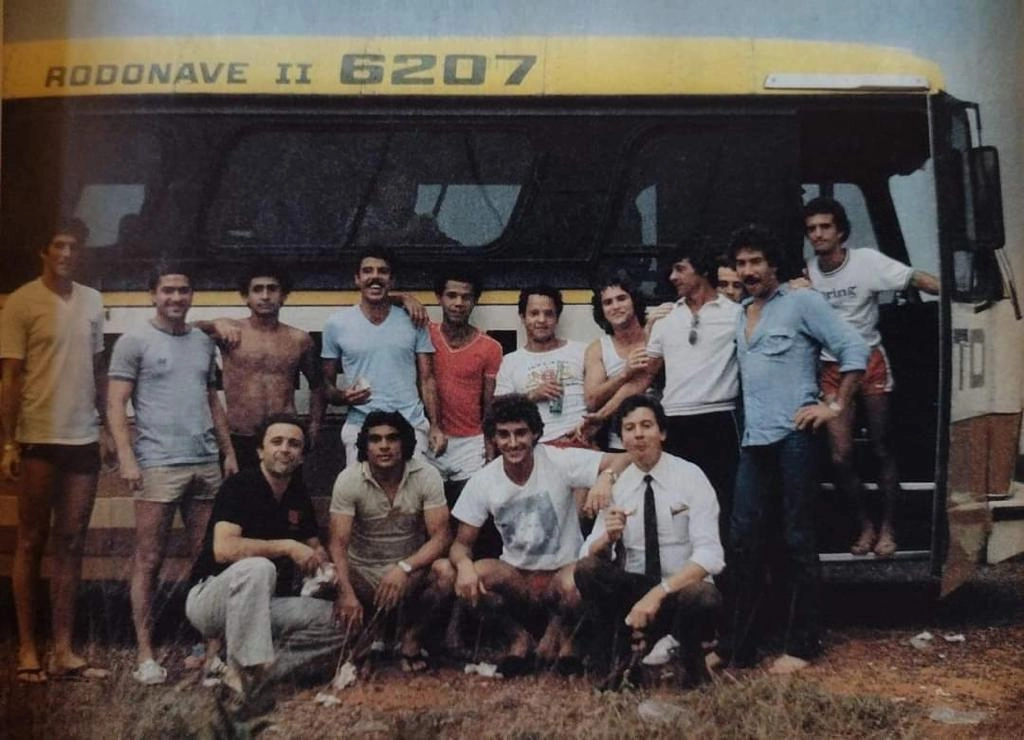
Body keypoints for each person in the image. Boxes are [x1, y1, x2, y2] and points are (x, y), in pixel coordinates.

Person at [723, 225, 869, 674]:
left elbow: (854, 348)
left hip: (794, 440)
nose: (748, 272)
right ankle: (739, 647)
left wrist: (834, 406)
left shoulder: (803, 302)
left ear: (774, 265)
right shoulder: (740, 311)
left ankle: (803, 645)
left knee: (797, 539)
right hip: (755, 441)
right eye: (742, 263)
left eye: (756, 262)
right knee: (744, 541)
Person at [108, 264, 238, 685]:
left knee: (209, 557)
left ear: (192, 294)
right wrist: (128, 457)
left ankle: (213, 651)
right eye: (168, 291)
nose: (176, 298)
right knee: (149, 558)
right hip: (158, 464)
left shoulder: (203, 342)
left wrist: (228, 453)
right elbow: (115, 405)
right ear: (153, 294)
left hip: (204, 463)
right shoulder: (134, 342)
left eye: (183, 290)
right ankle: (146, 654)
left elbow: (213, 401)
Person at [441, 394, 628, 676]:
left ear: (536, 433)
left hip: (561, 574)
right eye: (503, 435)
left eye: (520, 433)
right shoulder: (484, 480)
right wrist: (465, 566)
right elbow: (460, 544)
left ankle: (565, 638)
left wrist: (605, 479)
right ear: (493, 438)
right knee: (473, 576)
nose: (513, 443)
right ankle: (519, 638)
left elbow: (623, 459)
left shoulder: (557, 460)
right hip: (518, 578)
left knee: (578, 582)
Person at [0, 218, 112, 683]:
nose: (67, 253)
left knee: (72, 542)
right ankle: (29, 649)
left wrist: (105, 425)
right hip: (38, 438)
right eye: (58, 245)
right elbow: (9, 378)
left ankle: (63, 650)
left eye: (74, 247)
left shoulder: (93, 300)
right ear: (43, 251)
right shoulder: (22, 302)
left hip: (82, 438)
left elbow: (97, 371)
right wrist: (9, 441)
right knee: (31, 541)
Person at [803, 197, 940, 557]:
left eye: (825, 227)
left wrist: (963, 293)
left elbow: (915, 278)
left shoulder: (865, 261)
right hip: (831, 369)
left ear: (841, 231)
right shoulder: (808, 275)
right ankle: (865, 525)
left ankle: (889, 529)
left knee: (882, 448)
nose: (818, 234)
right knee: (841, 456)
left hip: (870, 363)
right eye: (812, 229)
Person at [185, 414, 343, 713]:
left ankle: (253, 672)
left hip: (267, 604)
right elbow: (223, 549)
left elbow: (313, 548)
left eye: (294, 444)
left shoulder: (297, 494)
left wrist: (325, 570)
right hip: (211, 600)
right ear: (260, 450)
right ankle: (247, 676)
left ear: (301, 456)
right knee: (259, 567)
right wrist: (286, 546)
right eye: (277, 442)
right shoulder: (240, 486)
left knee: (340, 621)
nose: (285, 449)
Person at [576, 395, 724, 688]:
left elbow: (711, 554)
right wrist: (608, 538)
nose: (639, 434)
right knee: (587, 569)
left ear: (662, 432)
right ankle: (619, 662)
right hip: (634, 593)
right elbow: (588, 553)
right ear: (622, 438)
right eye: (629, 428)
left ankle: (689, 660)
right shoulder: (616, 485)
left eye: (646, 425)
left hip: (678, 589)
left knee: (704, 596)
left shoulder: (690, 476)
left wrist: (658, 594)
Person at [595, 244, 741, 539]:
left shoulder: (736, 314)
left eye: (680, 269)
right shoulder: (666, 320)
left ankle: (718, 580)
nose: (672, 276)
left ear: (701, 270)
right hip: (675, 423)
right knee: (675, 506)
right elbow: (642, 380)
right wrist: (600, 415)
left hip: (719, 422)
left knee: (721, 507)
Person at [329, 411, 452, 672]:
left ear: (404, 442)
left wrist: (404, 568)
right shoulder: (349, 479)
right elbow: (338, 544)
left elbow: (441, 537)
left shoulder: (426, 475)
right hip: (363, 573)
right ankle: (369, 638)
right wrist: (347, 593)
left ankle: (411, 639)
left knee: (445, 572)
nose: (384, 446)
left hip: (408, 572)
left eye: (392, 438)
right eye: (375, 439)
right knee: (331, 573)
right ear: (365, 445)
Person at [194, 263, 326, 470]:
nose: (265, 296)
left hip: (284, 438)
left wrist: (315, 425)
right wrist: (214, 324)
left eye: (272, 289)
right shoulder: (230, 331)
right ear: (246, 297)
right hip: (240, 436)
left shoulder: (299, 339)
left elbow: (318, 386)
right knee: (239, 500)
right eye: (257, 289)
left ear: (283, 296)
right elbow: (183, 329)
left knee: (286, 500)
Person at [321, 249, 442, 467]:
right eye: (367, 271)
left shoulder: (415, 320)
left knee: (411, 499)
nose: (375, 277)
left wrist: (435, 426)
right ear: (357, 279)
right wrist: (343, 396)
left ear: (392, 279)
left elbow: (427, 378)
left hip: (410, 424)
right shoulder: (336, 324)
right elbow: (326, 386)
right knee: (363, 498)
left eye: (383, 271)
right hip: (360, 426)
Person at [422, 269, 503, 506]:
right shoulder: (423, 335)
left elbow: (489, 406)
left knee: (470, 515)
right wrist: (405, 298)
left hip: (470, 444)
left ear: (475, 301)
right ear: (439, 297)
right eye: (451, 295)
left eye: (466, 297)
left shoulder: (491, 348)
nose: (458, 303)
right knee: (431, 517)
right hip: (428, 439)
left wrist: (489, 450)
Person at [495, 286, 589, 446]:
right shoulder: (511, 361)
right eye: (534, 313)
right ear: (523, 317)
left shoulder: (583, 351)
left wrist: (591, 429)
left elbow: (601, 398)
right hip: (536, 448)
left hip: (582, 442)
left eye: (548, 313)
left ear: (557, 318)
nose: (541, 320)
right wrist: (532, 396)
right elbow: (497, 411)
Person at [582, 277, 667, 451]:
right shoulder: (598, 349)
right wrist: (624, 374)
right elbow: (591, 401)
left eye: (622, 298)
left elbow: (649, 376)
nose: (615, 307)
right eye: (607, 302)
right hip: (619, 445)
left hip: (663, 440)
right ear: (602, 310)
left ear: (634, 301)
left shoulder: (657, 334)